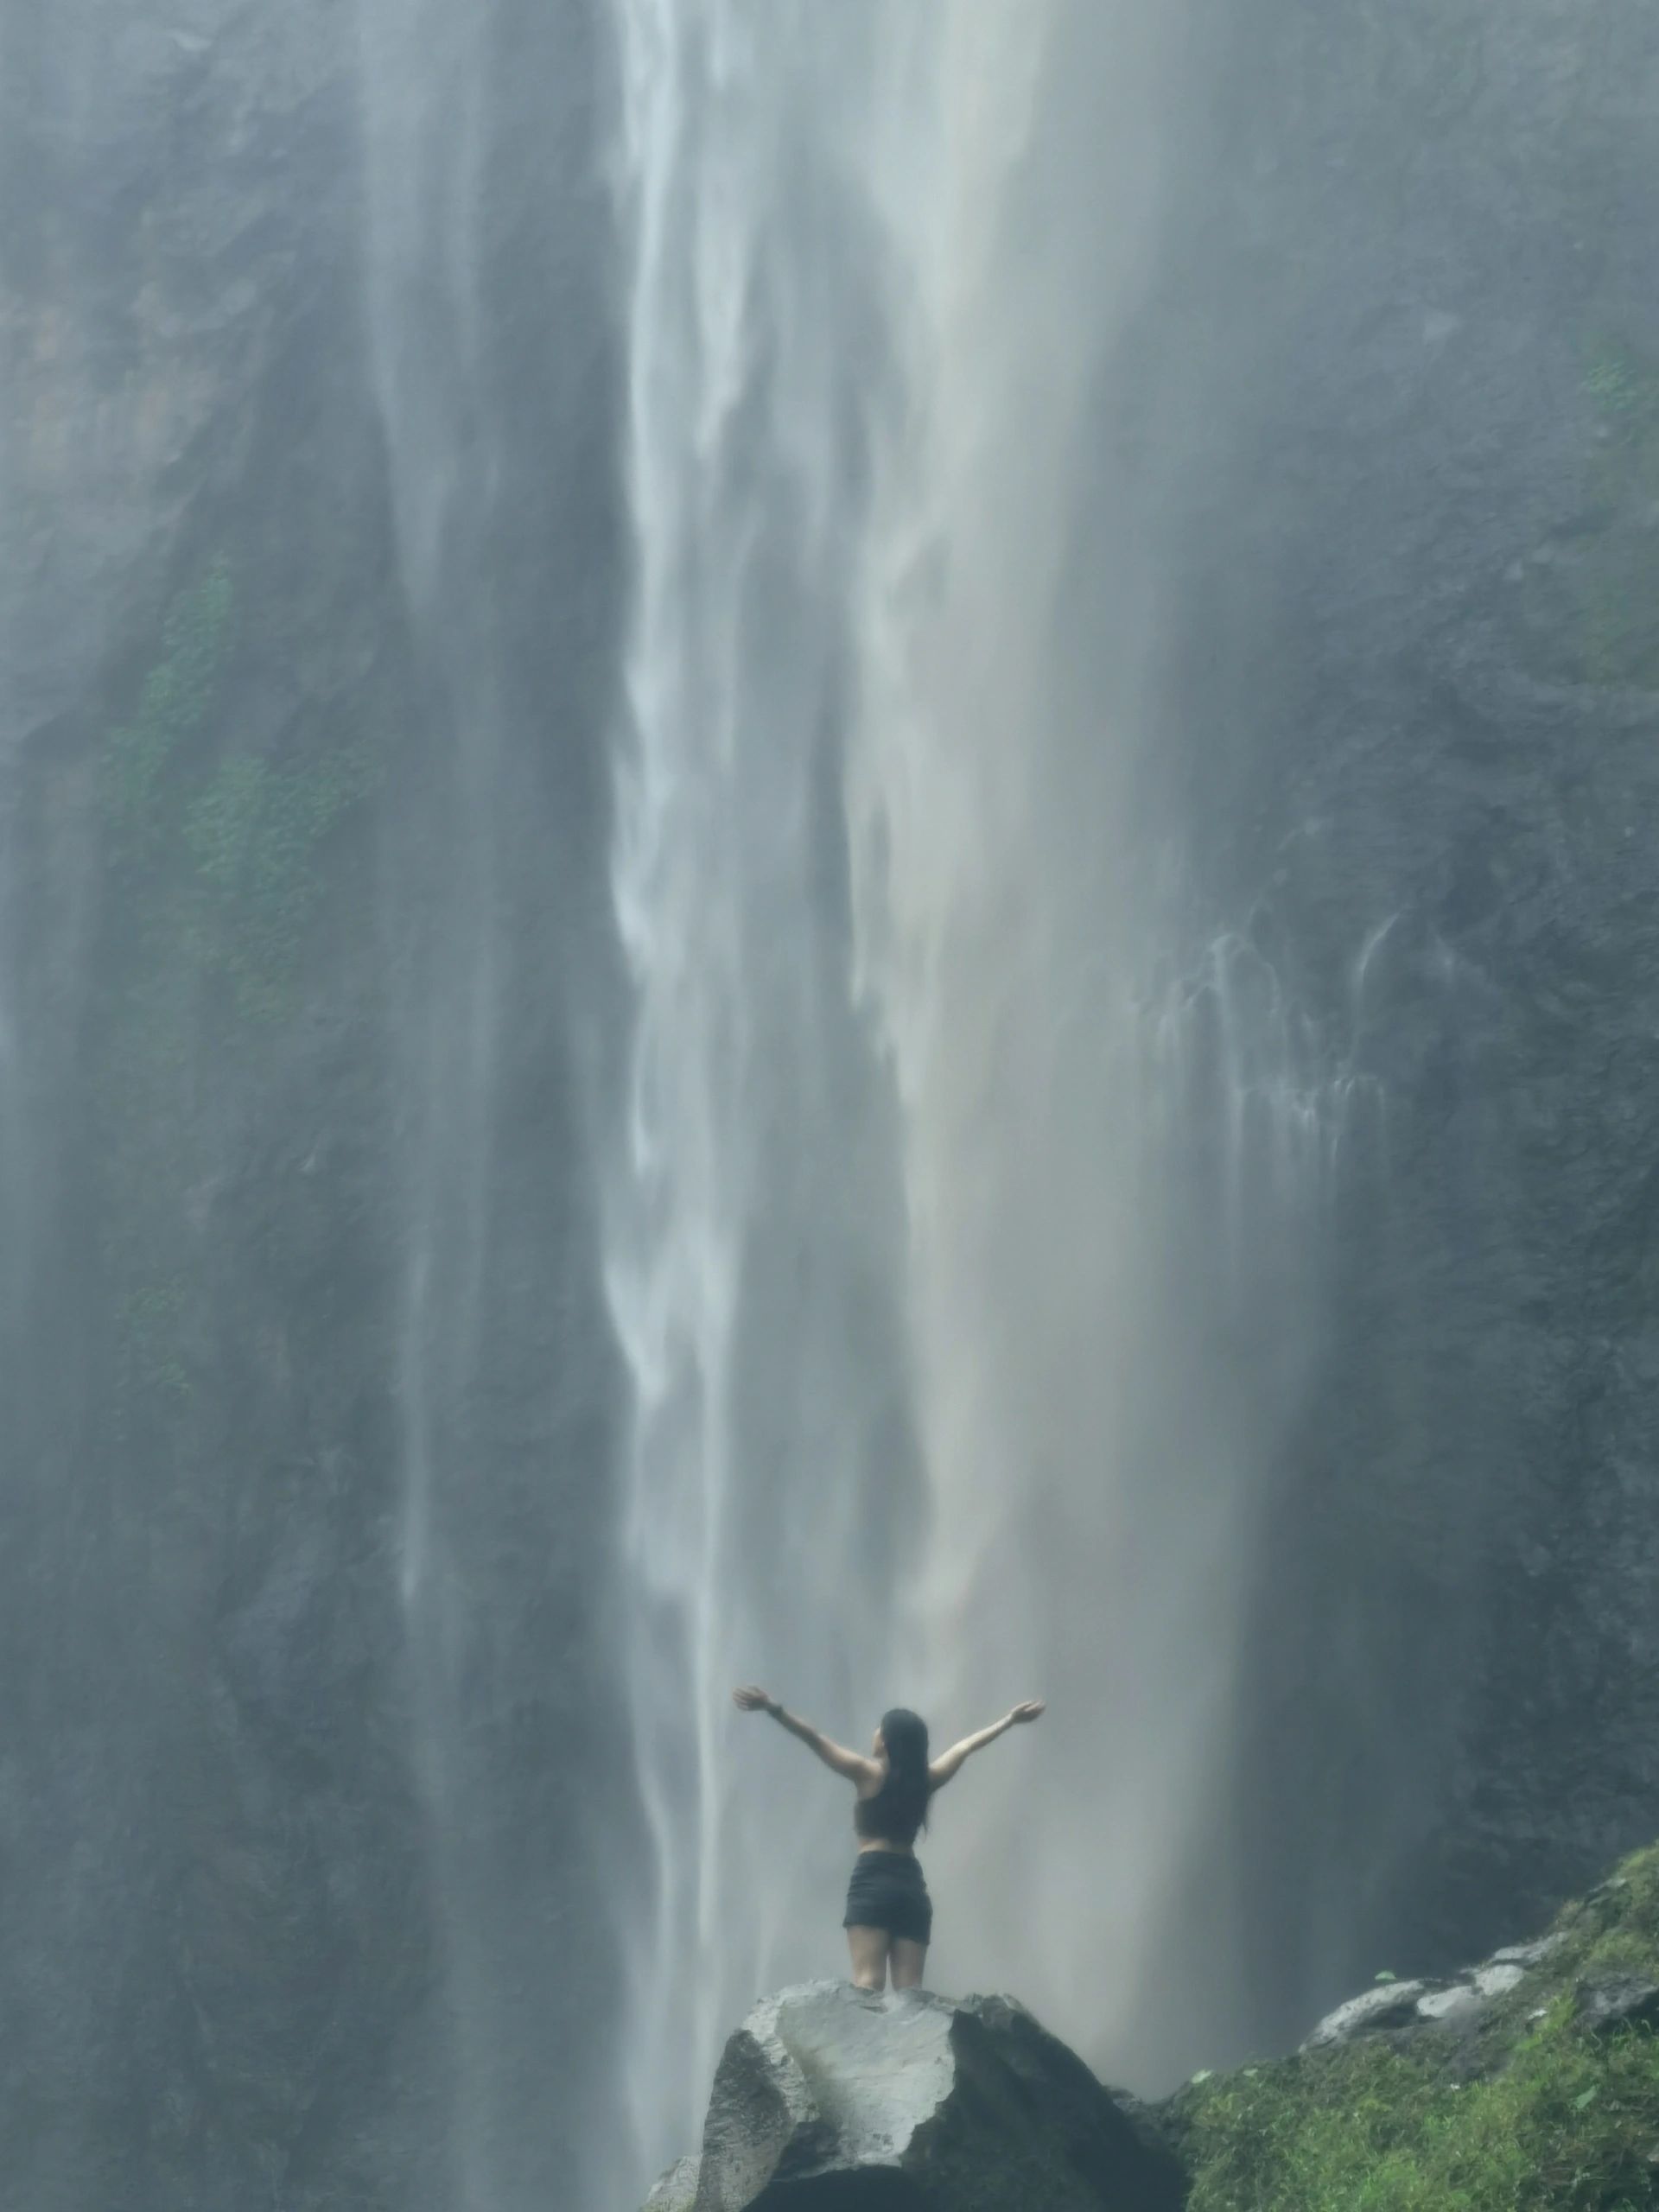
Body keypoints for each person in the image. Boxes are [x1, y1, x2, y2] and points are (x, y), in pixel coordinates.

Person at [732, 1685, 1046, 1992]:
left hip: (873, 1879)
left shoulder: (867, 1773)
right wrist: (1008, 1722)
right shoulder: (927, 1780)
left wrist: (773, 1708)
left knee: (868, 1984)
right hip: (911, 1886)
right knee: (911, 1993)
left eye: (878, 1730)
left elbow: (814, 1738)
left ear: (887, 1741)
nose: (874, 1734)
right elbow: (964, 1747)